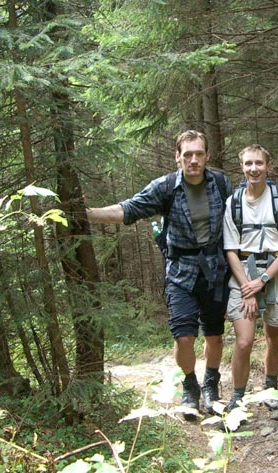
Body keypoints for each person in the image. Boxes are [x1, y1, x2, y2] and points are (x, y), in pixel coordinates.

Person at [86, 130, 232, 419]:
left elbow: (238, 219)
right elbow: (128, 209)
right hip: (180, 272)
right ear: (177, 157)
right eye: (187, 154)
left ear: (207, 156)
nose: (193, 160)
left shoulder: (221, 183)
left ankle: (211, 387)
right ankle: (190, 386)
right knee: (184, 337)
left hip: (215, 271)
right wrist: (87, 213)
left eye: (198, 154)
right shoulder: (165, 187)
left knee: (214, 336)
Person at [222, 144, 278, 412]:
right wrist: (248, 288)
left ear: (269, 166)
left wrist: (262, 280)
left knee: (274, 334)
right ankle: (237, 398)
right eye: (248, 164)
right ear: (242, 166)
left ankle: (271, 388)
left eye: (259, 163)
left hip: (275, 273)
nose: (254, 169)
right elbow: (230, 249)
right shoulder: (234, 202)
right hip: (243, 274)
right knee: (243, 340)